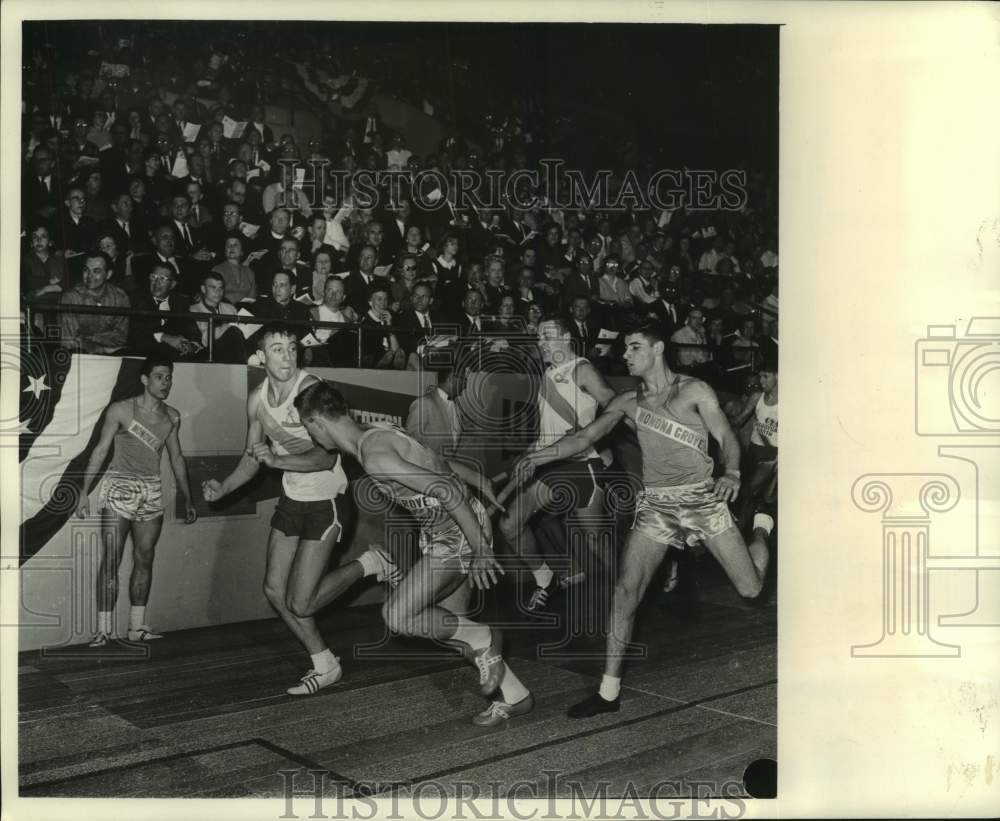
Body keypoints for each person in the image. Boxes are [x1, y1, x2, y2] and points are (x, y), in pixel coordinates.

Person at [504, 321, 769, 718]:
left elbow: (727, 435)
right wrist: (537, 456)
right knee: (626, 591)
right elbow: (583, 438)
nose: (624, 355)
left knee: (750, 589)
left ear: (658, 349)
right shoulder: (628, 401)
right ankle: (608, 692)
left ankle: (763, 526)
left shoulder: (694, 389)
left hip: (701, 500)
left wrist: (731, 472)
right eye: (624, 349)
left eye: (633, 347)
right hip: (657, 506)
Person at [294, 380, 533, 727]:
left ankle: (486, 637)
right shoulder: (378, 432)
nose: (313, 439)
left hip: (455, 530)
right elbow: (439, 464)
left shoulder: (374, 456)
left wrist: (481, 548)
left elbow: (447, 490)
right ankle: (516, 695)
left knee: (399, 617)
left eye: (308, 429)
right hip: (446, 527)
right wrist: (478, 481)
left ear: (317, 422)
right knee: (450, 628)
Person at [202, 323, 398, 696]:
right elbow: (252, 457)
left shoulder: (311, 389)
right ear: (260, 356)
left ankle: (370, 564)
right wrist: (223, 487)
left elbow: (326, 457)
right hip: (294, 499)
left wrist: (276, 462)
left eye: (292, 348)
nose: (287, 356)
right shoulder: (257, 400)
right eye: (277, 349)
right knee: (275, 591)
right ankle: (324, 664)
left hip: (327, 499)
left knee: (302, 602)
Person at [76, 357, 198, 645]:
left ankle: (136, 626)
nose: (165, 383)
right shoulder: (121, 410)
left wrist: (188, 497)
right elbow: (99, 450)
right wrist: (83, 491)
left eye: (168, 377)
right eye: (159, 377)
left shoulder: (172, 417)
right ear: (145, 380)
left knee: (145, 558)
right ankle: (104, 630)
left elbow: (176, 458)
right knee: (112, 559)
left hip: (151, 491)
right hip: (119, 488)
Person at [498, 318, 617, 612]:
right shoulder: (548, 375)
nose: (541, 342)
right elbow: (544, 435)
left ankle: (626, 586)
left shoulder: (582, 369)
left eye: (547, 335)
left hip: (581, 464)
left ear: (565, 337)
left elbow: (617, 407)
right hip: (551, 465)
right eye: (538, 336)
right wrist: (527, 456)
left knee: (595, 541)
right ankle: (545, 579)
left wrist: (601, 441)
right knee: (510, 525)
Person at [730, 360, 778, 534]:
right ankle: (751, 527)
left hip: (772, 455)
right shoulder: (757, 397)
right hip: (753, 451)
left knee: (751, 490)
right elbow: (740, 420)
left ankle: (739, 533)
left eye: (766, 376)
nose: (761, 381)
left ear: (778, 376)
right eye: (760, 376)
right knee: (747, 493)